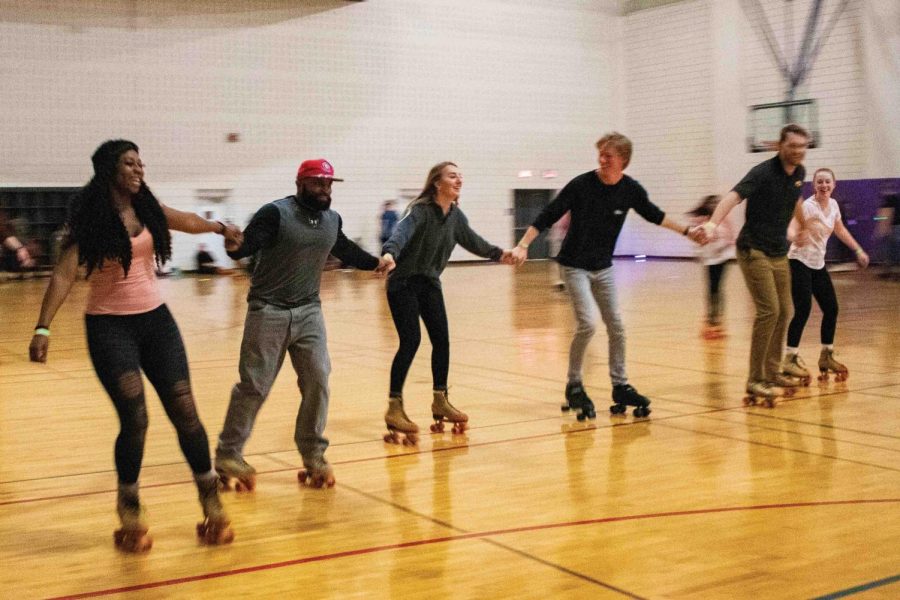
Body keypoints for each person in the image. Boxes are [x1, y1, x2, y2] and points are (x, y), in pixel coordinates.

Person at [27, 139, 241, 552]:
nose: (139, 169)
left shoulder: (147, 209)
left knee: (185, 409)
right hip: (110, 328)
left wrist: (221, 227)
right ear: (111, 170)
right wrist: (43, 328)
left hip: (157, 323)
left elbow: (188, 220)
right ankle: (130, 508)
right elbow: (64, 274)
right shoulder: (91, 221)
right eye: (130, 163)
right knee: (136, 417)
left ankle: (210, 499)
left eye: (141, 162)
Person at [215, 158, 389, 489]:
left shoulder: (331, 219)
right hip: (268, 310)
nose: (324, 190)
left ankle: (313, 453)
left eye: (328, 184)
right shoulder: (275, 213)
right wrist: (233, 243)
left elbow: (344, 248)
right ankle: (228, 453)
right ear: (300, 184)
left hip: (309, 310)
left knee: (318, 380)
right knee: (254, 385)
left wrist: (374, 263)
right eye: (318, 183)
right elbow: (245, 247)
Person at [511, 132, 704, 419]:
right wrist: (523, 244)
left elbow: (654, 214)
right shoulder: (581, 185)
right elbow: (548, 214)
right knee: (587, 323)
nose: (602, 159)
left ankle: (620, 385)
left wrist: (688, 233)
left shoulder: (630, 189)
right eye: (600, 154)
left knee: (617, 325)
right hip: (574, 265)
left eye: (608, 156)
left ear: (622, 161)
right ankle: (574, 384)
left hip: (604, 268)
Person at [379, 161, 513, 445]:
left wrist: (501, 254)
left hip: (428, 283)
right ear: (437, 183)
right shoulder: (420, 211)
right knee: (411, 341)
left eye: (460, 175)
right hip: (403, 283)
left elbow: (473, 241)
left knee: (442, 340)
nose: (459, 179)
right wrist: (390, 253)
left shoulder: (455, 216)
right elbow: (400, 233)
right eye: (452, 175)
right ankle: (394, 407)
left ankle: (440, 400)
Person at [702, 123, 812, 404]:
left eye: (802, 146)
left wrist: (802, 225)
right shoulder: (762, 172)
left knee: (784, 310)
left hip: (778, 251)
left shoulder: (799, 173)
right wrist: (714, 223)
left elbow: (795, 197)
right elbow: (733, 196)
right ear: (780, 145)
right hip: (753, 249)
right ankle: (755, 380)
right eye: (793, 146)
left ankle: (773, 372)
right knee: (769, 311)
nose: (798, 151)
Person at [781, 168, 869, 383]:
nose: (824, 185)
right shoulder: (808, 207)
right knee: (803, 310)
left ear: (834, 184)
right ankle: (790, 357)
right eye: (819, 182)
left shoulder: (834, 206)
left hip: (817, 264)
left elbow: (839, 230)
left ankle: (826, 356)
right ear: (814, 185)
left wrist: (857, 250)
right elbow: (791, 229)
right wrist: (795, 237)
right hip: (798, 261)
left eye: (827, 182)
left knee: (831, 308)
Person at [687, 195, 736, 339]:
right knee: (712, 290)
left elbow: (726, 241)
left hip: (720, 259)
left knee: (716, 289)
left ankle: (715, 321)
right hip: (710, 260)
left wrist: (718, 247)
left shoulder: (717, 226)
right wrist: (701, 252)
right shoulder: (701, 226)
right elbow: (698, 244)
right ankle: (712, 321)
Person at [876, 185, 900, 280]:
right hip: (896, 227)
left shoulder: (888, 201)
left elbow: (885, 216)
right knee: (895, 251)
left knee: (889, 251)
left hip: (893, 228)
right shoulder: (896, 199)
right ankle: (893, 272)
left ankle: (888, 272)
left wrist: (880, 230)